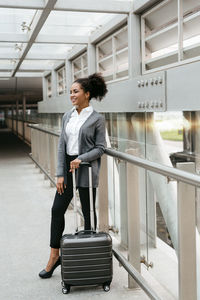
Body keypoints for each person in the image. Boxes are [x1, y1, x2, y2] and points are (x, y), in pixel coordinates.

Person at [39, 73, 108, 279]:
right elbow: (62, 146)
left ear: (87, 94)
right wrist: (60, 173)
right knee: (57, 209)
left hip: (86, 168)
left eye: (75, 91)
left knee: (88, 216)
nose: (72, 95)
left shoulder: (97, 119)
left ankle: (88, 262)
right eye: (70, 92)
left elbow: (100, 148)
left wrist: (82, 158)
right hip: (68, 170)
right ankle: (54, 257)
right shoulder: (67, 116)